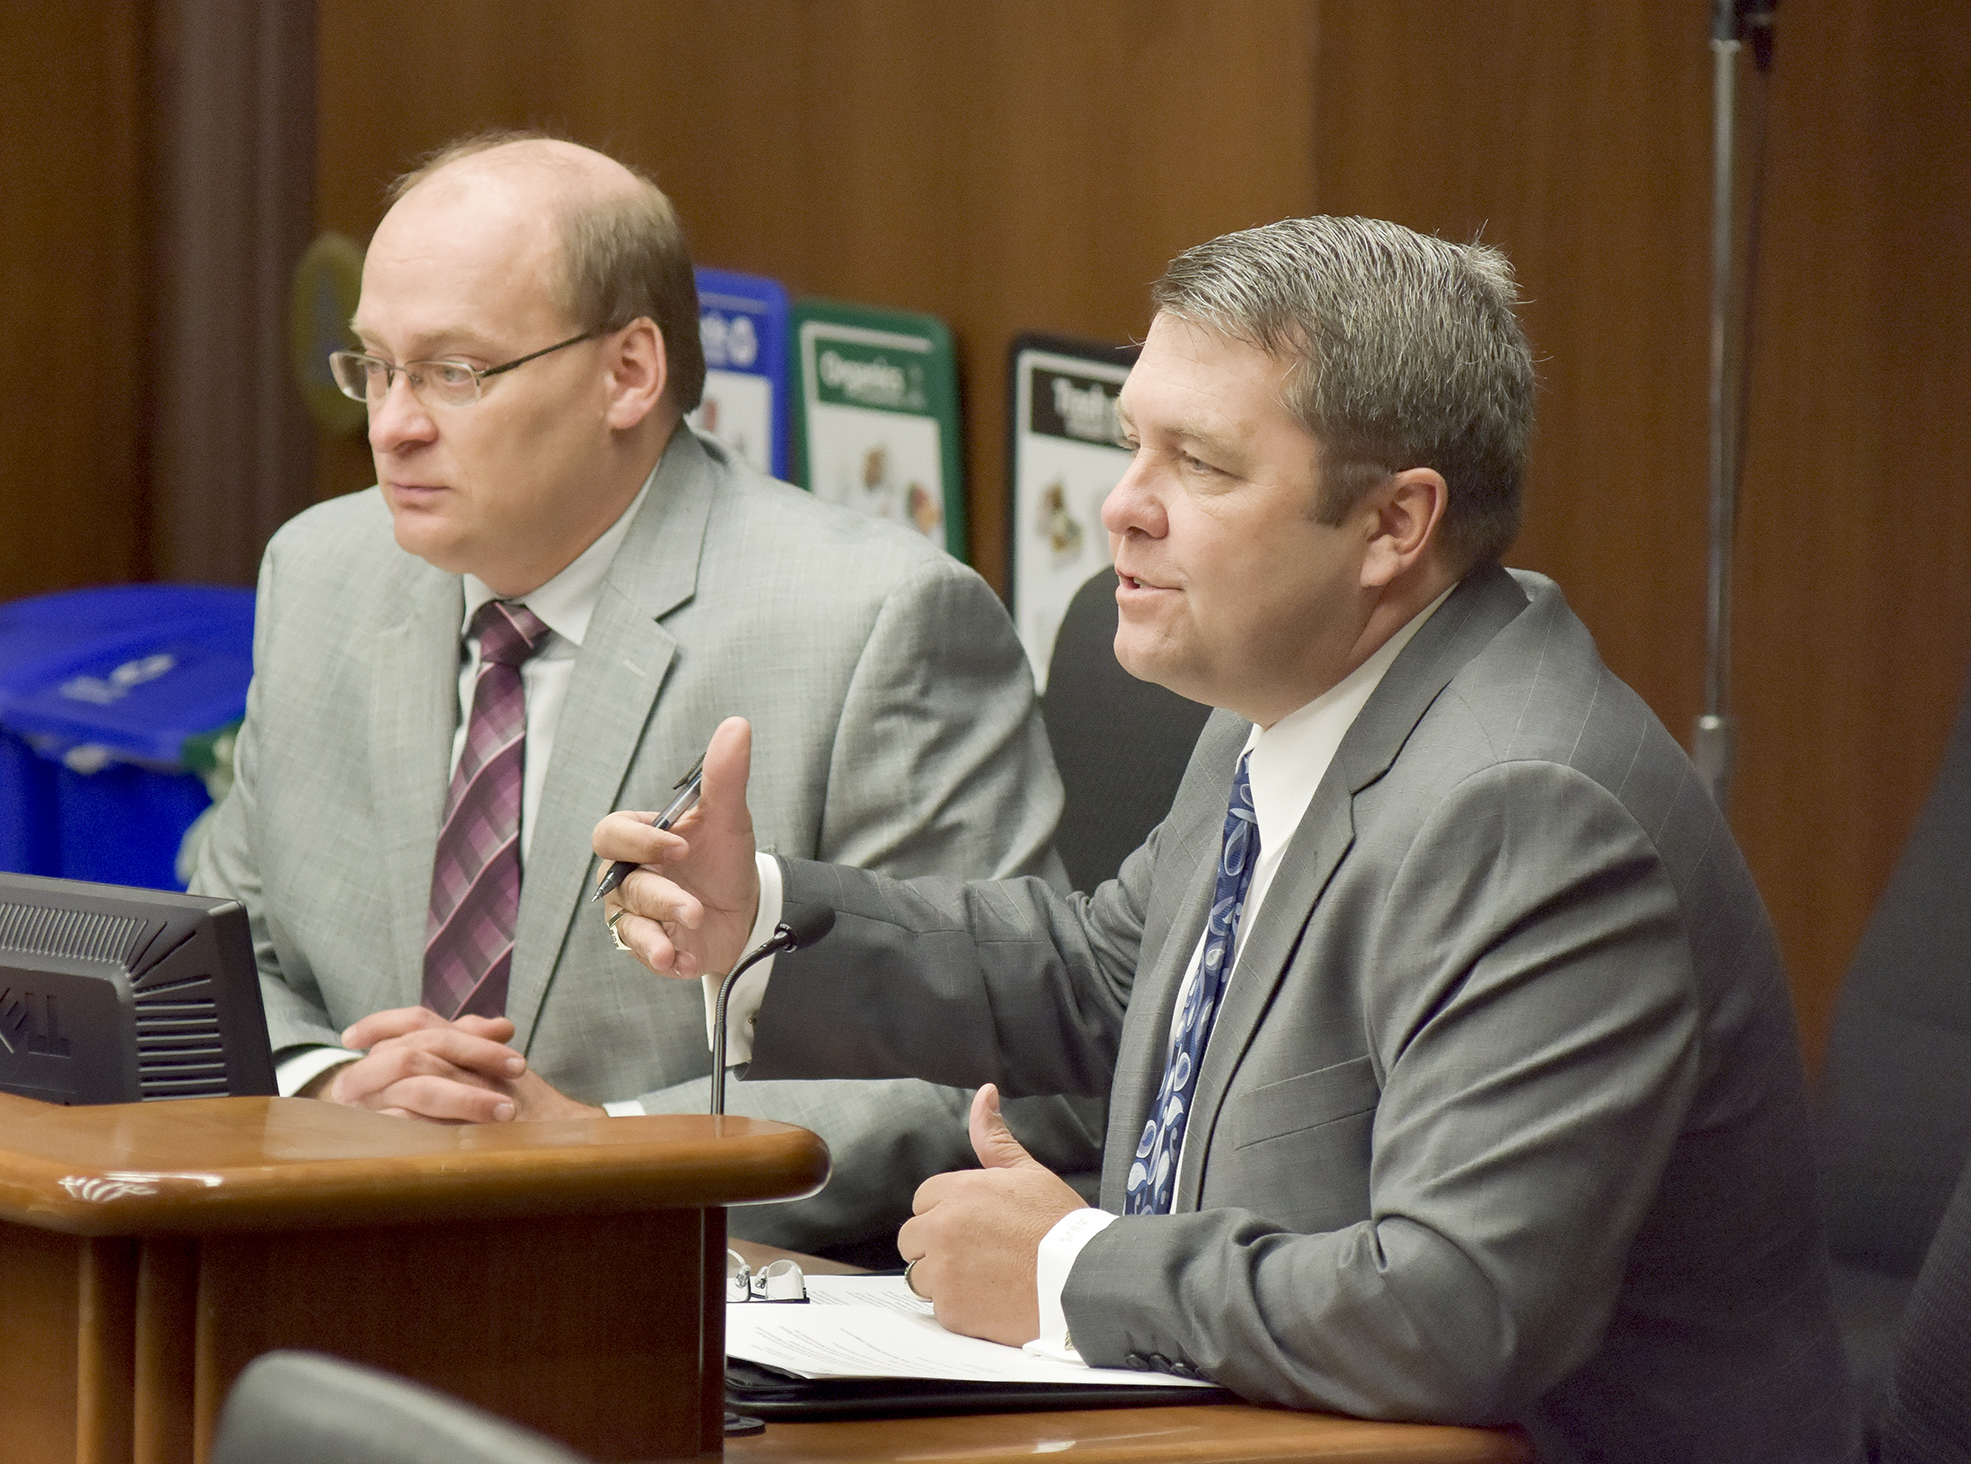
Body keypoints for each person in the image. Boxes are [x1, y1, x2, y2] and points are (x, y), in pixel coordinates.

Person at [596, 217, 1859, 1459]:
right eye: (1130, 444)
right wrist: (753, 918)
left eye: (1198, 465)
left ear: (1392, 527)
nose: (1122, 509)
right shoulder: (1294, 694)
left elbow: (1457, 1310)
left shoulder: (1530, 810)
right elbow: (1106, 976)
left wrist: (1069, 1267)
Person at [191, 131, 1102, 1256]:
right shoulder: (322, 573)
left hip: (681, 1305)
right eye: (373, 367)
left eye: (453, 372)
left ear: (629, 371)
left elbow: (1013, 1076)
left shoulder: (875, 622)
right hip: (342, 1257)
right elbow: (232, 946)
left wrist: (597, 1149)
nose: (393, 424)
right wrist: (335, 1086)